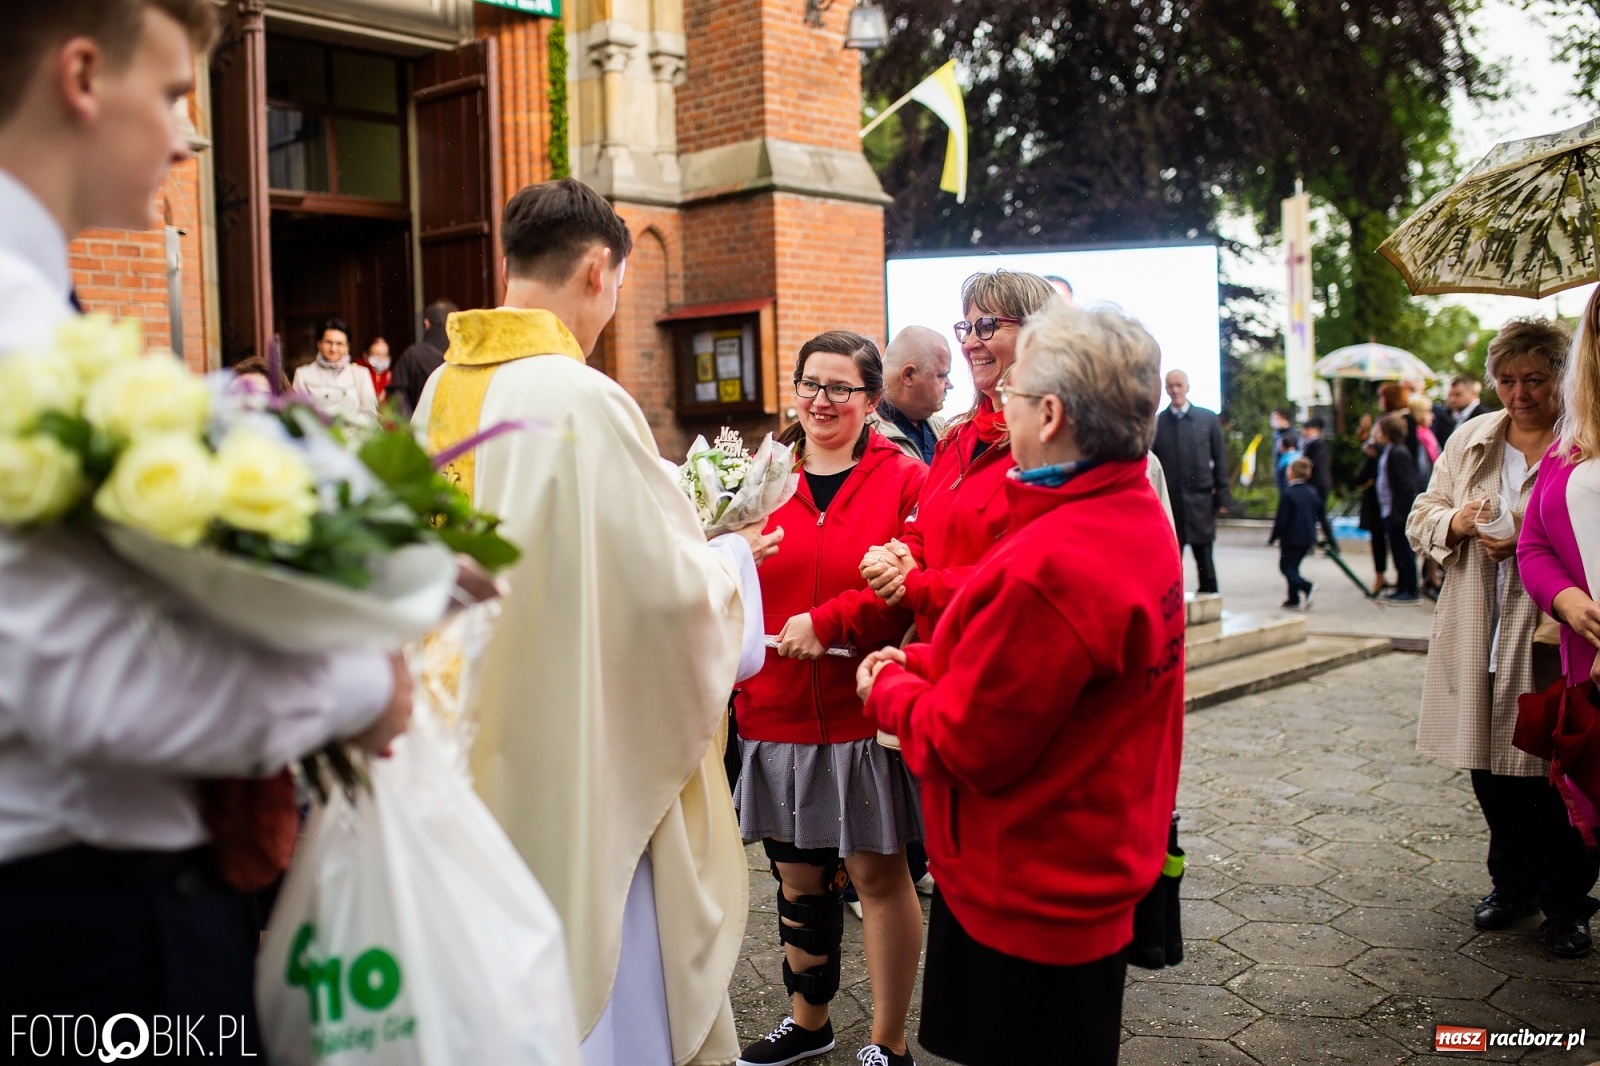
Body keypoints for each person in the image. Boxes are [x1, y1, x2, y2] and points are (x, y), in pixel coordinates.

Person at [0, 1, 416, 1052]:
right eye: (177, 92)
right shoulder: (16, 324)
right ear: (84, 77)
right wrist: (362, 686)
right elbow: (71, 672)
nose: (191, 136)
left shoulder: (46, 305)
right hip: (80, 928)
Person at [413, 178, 780, 1066]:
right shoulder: (583, 400)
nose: (611, 310)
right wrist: (733, 560)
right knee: (601, 979)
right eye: (615, 289)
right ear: (596, 268)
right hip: (578, 755)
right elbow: (669, 603)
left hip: (464, 745)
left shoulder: (437, 398)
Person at [857, 302, 1184, 1065]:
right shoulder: (1128, 508)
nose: (999, 403)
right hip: (1088, 853)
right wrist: (930, 663)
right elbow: (1052, 677)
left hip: (1030, 883)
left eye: (1013, 391)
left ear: (1052, 412)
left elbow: (971, 743)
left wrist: (891, 691)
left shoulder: (1055, 560)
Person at [733, 332, 928, 1066]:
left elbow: (901, 587)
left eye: (839, 388)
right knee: (798, 877)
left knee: (878, 876)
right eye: (810, 384)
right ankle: (808, 1022)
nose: (820, 400)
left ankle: (887, 1042)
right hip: (772, 707)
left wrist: (831, 620)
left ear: (872, 400)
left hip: (859, 709)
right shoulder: (761, 476)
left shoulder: (904, 478)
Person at [858, 270, 1058, 641]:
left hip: (1005, 662)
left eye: (987, 326)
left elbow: (1024, 576)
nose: (969, 345)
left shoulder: (1053, 445)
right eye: (966, 329)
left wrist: (916, 584)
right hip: (943, 661)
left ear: (1038, 334)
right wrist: (895, 559)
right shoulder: (955, 439)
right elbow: (921, 530)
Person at [1514, 307, 1600, 957]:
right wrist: (1566, 599)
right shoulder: (1573, 445)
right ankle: (1560, 905)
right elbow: (1535, 541)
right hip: (1583, 669)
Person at [1151, 369, 1230, 594]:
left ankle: (1211, 599)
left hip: (1201, 501)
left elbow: (1219, 459)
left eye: (1179, 385)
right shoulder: (1158, 423)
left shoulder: (1207, 419)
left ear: (1187, 387)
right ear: (1165, 389)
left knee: (1205, 556)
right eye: (1170, 386)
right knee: (1171, 559)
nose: (1175, 390)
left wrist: (1223, 496)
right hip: (1172, 502)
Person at [874, 324, 951, 463]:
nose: (949, 385)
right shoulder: (863, 437)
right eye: (941, 376)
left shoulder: (946, 432)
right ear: (908, 375)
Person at [1270, 457, 1333, 610]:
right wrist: (1331, 539)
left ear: (1291, 473)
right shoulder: (1312, 492)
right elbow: (1322, 518)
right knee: (1294, 567)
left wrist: (1274, 537)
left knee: (1286, 567)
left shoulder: (1288, 493)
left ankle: (1307, 586)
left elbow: (1281, 519)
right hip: (1307, 538)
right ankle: (1293, 598)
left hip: (1291, 538)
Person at [291, 316, 379, 420]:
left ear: (347, 347)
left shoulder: (360, 374)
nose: (333, 348)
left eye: (339, 344)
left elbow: (370, 413)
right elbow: (298, 414)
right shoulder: (303, 374)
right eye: (328, 342)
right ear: (319, 344)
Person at [1373, 412, 1421, 602]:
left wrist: (1399, 513)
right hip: (1389, 509)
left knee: (1404, 551)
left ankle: (1410, 589)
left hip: (1396, 512)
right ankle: (1402, 586)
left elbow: (1406, 486)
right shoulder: (1390, 450)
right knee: (1398, 550)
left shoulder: (1398, 452)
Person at [391, 297, 457, 414]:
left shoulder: (412, 356)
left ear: (426, 323)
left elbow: (398, 400)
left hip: (424, 427)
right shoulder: (469, 357)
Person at [1437, 374, 1486, 446]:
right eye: (1450, 395)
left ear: (1473, 393)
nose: (1452, 399)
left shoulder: (1485, 417)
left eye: (1458, 394)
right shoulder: (1445, 416)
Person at [1300, 417, 1333, 500]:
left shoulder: (1318, 445)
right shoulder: (1308, 443)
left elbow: (1315, 464)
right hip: (1315, 483)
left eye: (1308, 429)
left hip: (1317, 483)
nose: (1305, 432)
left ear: (1316, 429)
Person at [359, 335, 391, 400]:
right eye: (377, 355)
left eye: (384, 355)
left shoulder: (391, 376)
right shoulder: (358, 373)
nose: (381, 359)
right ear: (366, 356)